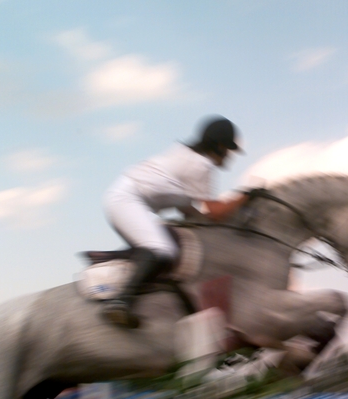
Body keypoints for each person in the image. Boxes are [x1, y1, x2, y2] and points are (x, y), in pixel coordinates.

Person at [101, 116, 247, 328]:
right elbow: (215, 212)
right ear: (219, 145)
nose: (229, 156)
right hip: (126, 200)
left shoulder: (188, 156)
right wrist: (246, 196)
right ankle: (120, 302)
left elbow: (190, 211)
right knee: (162, 249)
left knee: (168, 248)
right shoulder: (201, 165)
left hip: (127, 200)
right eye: (228, 149)